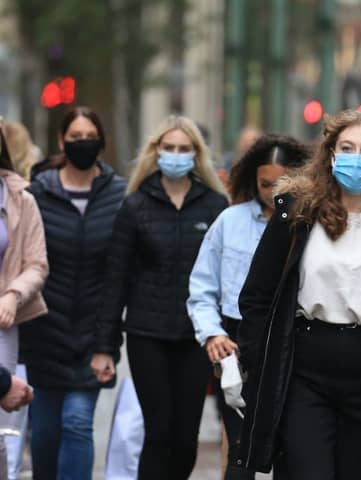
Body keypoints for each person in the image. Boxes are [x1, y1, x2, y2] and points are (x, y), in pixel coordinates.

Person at [235, 110, 361, 479]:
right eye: (347, 148)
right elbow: (257, 294)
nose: (356, 158)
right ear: (330, 155)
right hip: (305, 369)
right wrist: (257, 358)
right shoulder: (297, 213)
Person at [92, 115, 229, 480]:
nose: (176, 154)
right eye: (169, 147)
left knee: (186, 438)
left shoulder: (215, 206)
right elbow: (115, 279)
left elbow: (226, 277)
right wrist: (105, 346)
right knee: (159, 430)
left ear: (197, 154)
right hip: (147, 334)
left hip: (196, 336)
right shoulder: (135, 206)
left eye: (184, 148)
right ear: (156, 152)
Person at [187, 134, 308, 479]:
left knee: (294, 447)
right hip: (239, 344)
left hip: (295, 342)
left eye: (280, 183)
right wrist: (212, 334)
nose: (271, 192)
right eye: (264, 183)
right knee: (240, 451)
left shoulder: (311, 223)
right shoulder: (230, 222)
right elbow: (202, 286)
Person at [19, 106, 127, 480]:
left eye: (90, 136)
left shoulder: (119, 195)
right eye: (75, 137)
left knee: (78, 422)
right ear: (61, 141)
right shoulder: (37, 195)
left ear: (102, 141)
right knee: (46, 430)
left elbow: (120, 273)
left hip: (95, 334)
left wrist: (107, 343)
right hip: (45, 332)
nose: (83, 143)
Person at [0, 122, 48, 480]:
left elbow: (36, 263)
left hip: (4, 321)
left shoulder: (20, 198)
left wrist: (14, 294)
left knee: (4, 425)